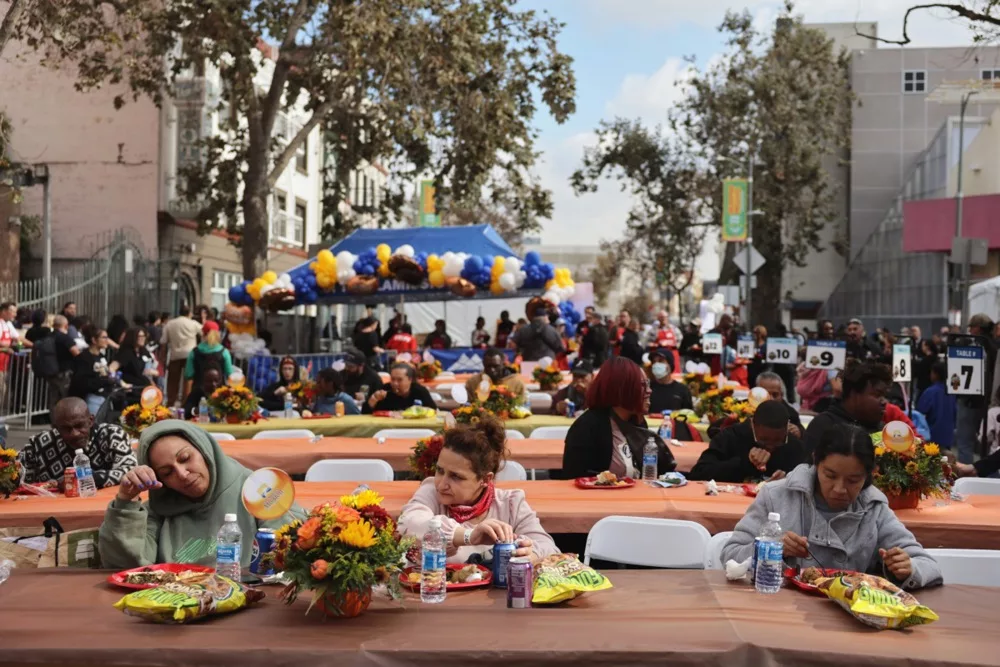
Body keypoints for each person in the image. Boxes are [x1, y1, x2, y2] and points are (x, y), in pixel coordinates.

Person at [721, 423, 942, 590]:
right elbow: (730, 555)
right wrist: (773, 548)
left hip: (852, 616)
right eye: (830, 475)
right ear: (816, 462)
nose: (839, 489)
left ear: (870, 474)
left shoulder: (874, 508)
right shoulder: (777, 495)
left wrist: (907, 568)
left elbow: (927, 565)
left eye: (853, 480)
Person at [98, 421, 306, 569]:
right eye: (167, 473)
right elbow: (125, 565)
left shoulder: (256, 488)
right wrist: (126, 501)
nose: (182, 474)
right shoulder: (161, 507)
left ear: (204, 449)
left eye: (185, 458)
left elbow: (294, 549)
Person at [398, 414, 558, 564]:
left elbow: (549, 548)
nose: (441, 484)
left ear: (485, 480)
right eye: (440, 470)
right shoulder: (430, 491)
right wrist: (469, 536)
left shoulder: (511, 504)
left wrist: (529, 554)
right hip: (436, 585)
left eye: (456, 476)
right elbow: (408, 525)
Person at [561, 357, 676, 479]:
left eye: (648, 384)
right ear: (622, 389)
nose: (649, 391)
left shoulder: (637, 422)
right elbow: (574, 479)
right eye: (643, 385)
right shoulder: (586, 428)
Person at [17, 397, 136, 489]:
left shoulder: (112, 435)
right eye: (66, 428)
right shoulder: (39, 444)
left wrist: (91, 478)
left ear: (91, 421)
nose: (75, 434)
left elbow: (131, 469)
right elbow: (15, 475)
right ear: (56, 428)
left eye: (79, 426)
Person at [689, 399, 807, 483]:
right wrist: (744, 462)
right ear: (752, 425)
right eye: (763, 440)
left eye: (778, 441)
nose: (770, 447)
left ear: (786, 430)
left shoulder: (794, 446)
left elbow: (809, 481)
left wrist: (788, 481)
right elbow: (698, 474)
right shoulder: (730, 437)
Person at [802, 360, 891, 458]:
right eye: (877, 395)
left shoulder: (883, 431)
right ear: (854, 394)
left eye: (884, 396)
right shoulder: (823, 426)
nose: (884, 402)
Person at [954, 313, 997, 465]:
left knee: (965, 441)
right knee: (988, 442)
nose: (969, 330)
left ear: (978, 328)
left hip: (969, 399)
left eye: (971, 327)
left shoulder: (969, 344)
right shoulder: (995, 346)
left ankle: (965, 472)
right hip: (990, 401)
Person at [70, 326, 129, 416]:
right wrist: (105, 381)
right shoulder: (84, 358)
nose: (107, 340)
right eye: (104, 337)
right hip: (91, 398)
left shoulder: (101, 356)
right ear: (94, 340)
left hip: (104, 396)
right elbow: (82, 381)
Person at [161, 305, 202, 406]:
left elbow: (164, 342)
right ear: (189, 313)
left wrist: (163, 357)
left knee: (172, 380)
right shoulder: (193, 324)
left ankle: (171, 401)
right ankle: (186, 402)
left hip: (175, 355)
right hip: (190, 354)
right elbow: (204, 333)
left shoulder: (170, 324)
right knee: (188, 380)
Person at [184, 320, 233, 401]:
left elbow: (188, 375)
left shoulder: (194, 352)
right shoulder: (224, 352)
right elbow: (229, 374)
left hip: (198, 393)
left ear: (203, 334)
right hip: (219, 394)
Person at [39, 315, 80, 413]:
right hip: (65, 373)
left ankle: (54, 420)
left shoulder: (48, 336)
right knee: (66, 399)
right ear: (66, 326)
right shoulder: (65, 338)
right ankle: (64, 420)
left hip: (51, 372)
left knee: (54, 400)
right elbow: (76, 353)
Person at [363, 362, 437, 413]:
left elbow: (433, 411)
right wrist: (373, 400)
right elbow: (365, 414)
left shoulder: (420, 391)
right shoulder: (385, 390)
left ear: (410, 380)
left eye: (399, 380)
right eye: (392, 379)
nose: (395, 383)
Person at [915, 362, 956, 449]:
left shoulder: (930, 392)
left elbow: (919, 414)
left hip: (932, 436)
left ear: (935, 374)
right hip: (948, 437)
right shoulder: (951, 393)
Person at [511, 298, 563, 362]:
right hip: (548, 363)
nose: (548, 320)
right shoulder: (551, 330)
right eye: (547, 317)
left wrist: (520, 350)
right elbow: (560, 348)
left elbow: (512, 344)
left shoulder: (523, 329)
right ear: (544, 317)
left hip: (528, 362)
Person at [756, 371, 803, 437]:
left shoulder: (791, 414)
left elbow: (804, 436)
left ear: (781, 395)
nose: (771, 399)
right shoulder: (743, 409)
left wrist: (798, 432)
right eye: (766, 394)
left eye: (775, 395)